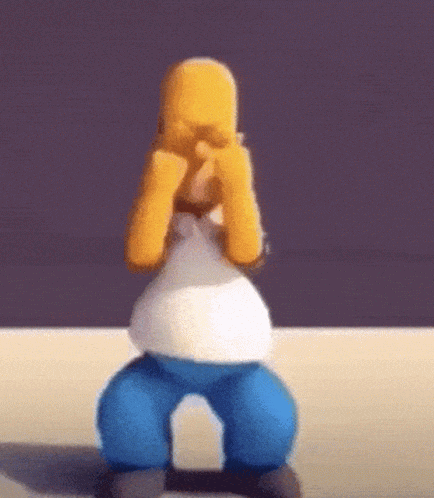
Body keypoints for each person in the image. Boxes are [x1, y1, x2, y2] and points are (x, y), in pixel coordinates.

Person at [96, 57, 300, 498]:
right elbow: (141, 255)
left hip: (236, 364)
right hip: (162, 360)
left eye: (215, 142)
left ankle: (255, 466)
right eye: (183, 140)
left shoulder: (232, 211)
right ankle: (140, 465)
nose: (198, 158)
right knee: (127, 406)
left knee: (267, 414)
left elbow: (246, 251)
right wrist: (158, 187)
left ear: (237, 145)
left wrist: (237, 185)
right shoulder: (165, 215)